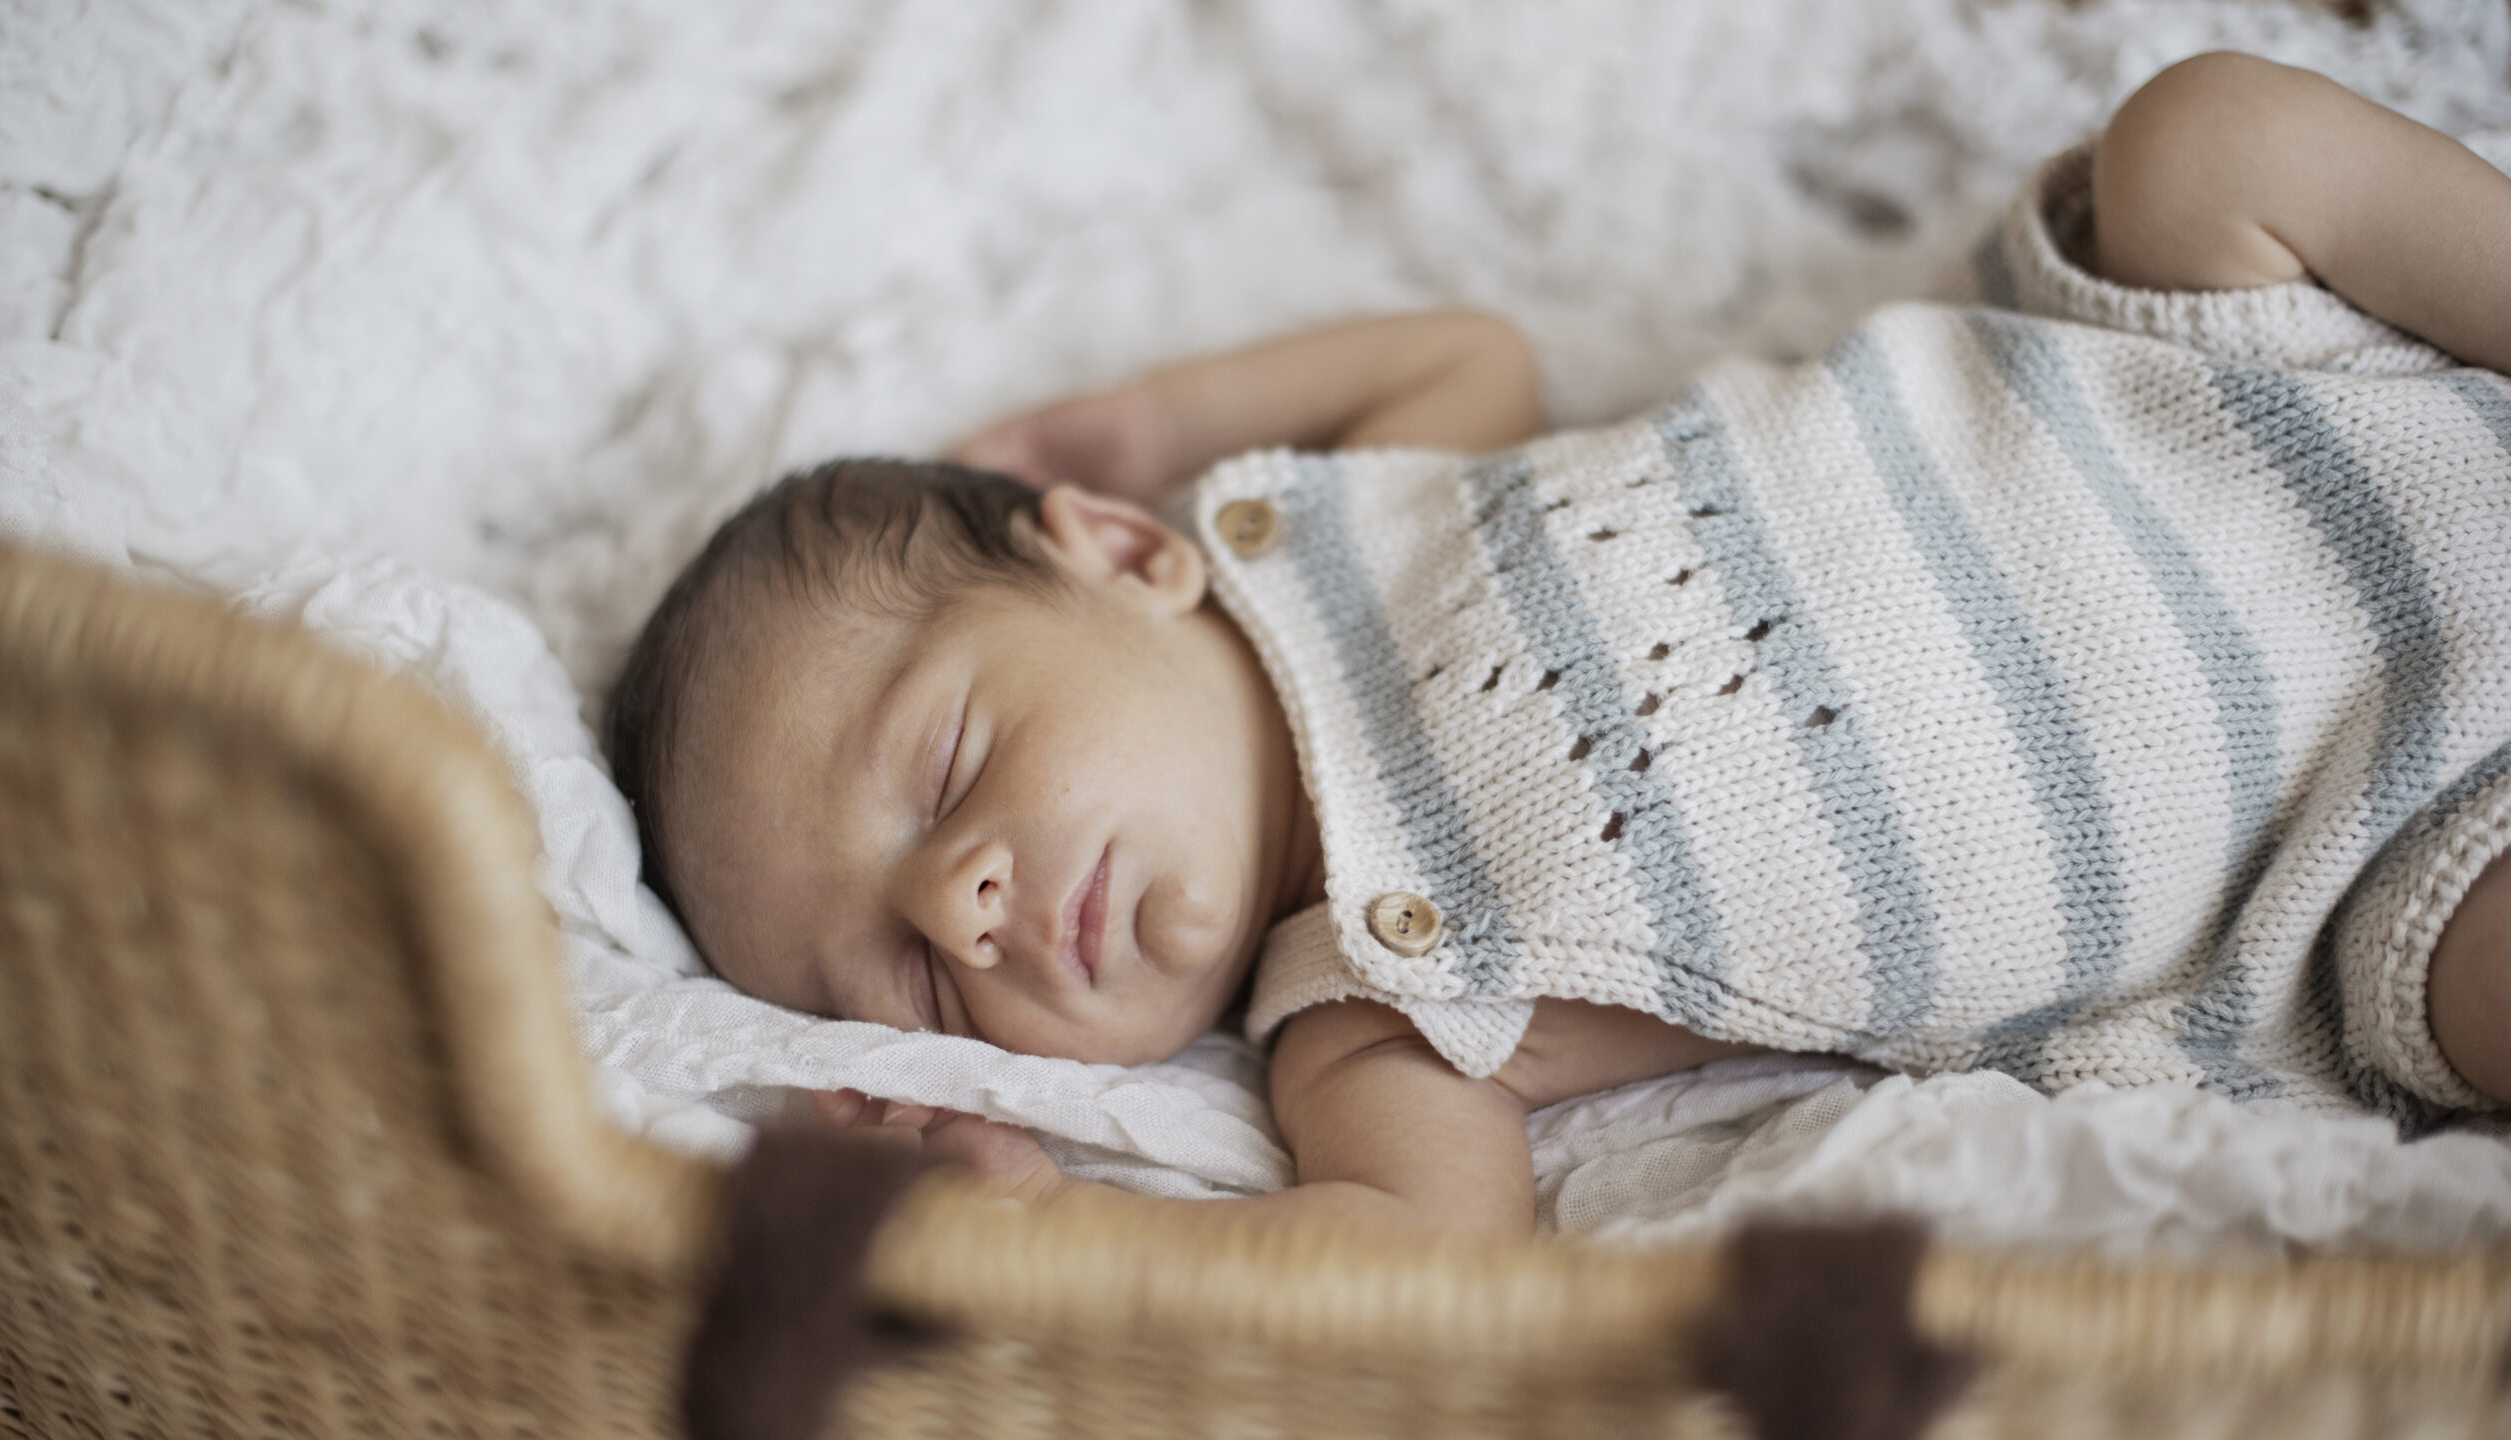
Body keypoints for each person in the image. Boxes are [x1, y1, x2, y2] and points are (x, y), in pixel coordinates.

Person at [604, 53, 2511, 1236]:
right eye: (920, 989)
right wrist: (1001, 1219)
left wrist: (1135, 426)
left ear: (1122, 557)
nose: (970, 909)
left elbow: (1464, 349)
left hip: (2248, 416)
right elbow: (1405, 1260)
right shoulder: (1365, 1020)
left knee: (2203, 139)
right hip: (2365, 845)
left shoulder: (1343, 515)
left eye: (946, 773)